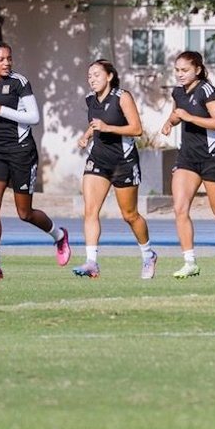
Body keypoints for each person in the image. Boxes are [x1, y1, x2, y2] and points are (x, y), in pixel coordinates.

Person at [0, 41, 70, 279]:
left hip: (22, 151)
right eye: (1, 59)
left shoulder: (19, 83)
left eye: (9, 59)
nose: (6, 63)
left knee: (25, 213)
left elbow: (33, 117)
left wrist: (0, 110)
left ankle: (59, 236)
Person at [160, 51, 215, 281]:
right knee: (180, 208)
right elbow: (177, 113)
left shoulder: (208, 91)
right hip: (187, 159)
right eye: (177, 70)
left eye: (184, 70)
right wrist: (169, 122)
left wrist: (187, 116)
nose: (179, 74)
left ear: (197, 69)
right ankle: (189, 262)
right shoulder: (178, 92)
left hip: (211, 159)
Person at [74, 60, 157, 279]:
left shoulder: (122, 96)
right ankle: (91, 262)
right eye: (89, 76)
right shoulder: (90, 99)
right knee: (90, 210)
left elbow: (137, 129)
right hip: (98, 161)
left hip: (124, 163)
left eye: (96, 75)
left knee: (129, 215)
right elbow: (95, 124)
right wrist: (86, 136)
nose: (92, 79)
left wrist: (108, 127)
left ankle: (148, 255)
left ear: (109, 76)